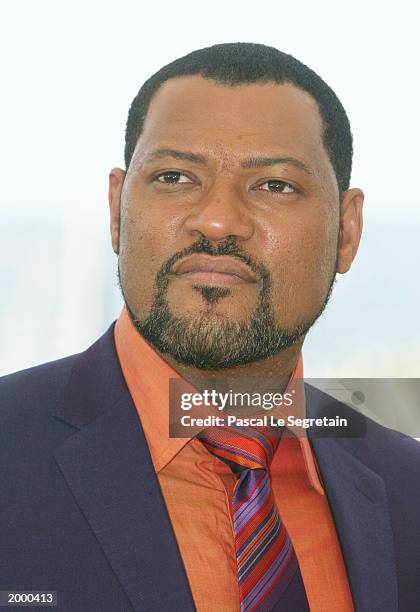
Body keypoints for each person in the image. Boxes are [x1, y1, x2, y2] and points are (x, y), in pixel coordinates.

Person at [0, 42, 419, 612]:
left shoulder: (406, 490)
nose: (217, 220)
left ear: (347, 231)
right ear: (118, 209)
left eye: (274, 185)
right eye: (174, 177)